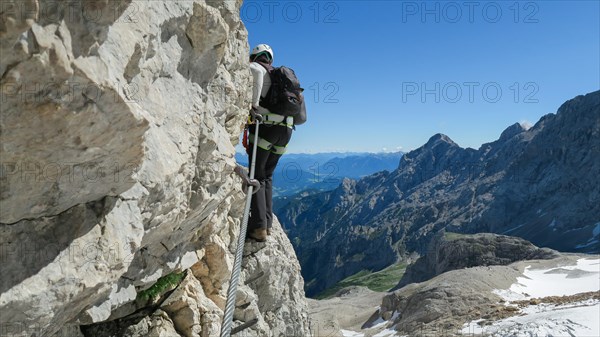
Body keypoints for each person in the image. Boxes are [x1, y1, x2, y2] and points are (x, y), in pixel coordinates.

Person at [246, 44, 306, 241]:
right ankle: (268, 224)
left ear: (254, 56)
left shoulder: (255, 68)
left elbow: (253, 104)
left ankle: (258, 228)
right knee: (268, 176)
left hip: (266, 129)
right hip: (286, 132)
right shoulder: (285, 80)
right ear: (270, 59)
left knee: (257, 175)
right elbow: (301, 118)